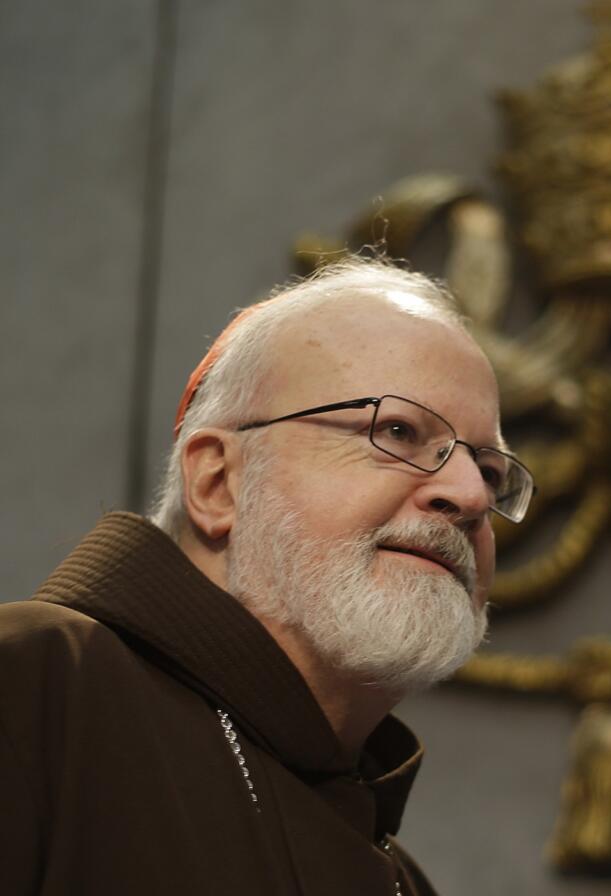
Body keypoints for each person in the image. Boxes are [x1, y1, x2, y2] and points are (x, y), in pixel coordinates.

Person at [0, 257, 533, 895]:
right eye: (397, 430)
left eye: (489, 471)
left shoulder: (401, 881)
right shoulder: (33, 689)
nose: (471, 496)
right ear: (218, 483)